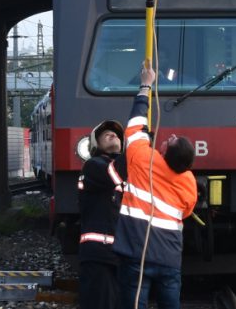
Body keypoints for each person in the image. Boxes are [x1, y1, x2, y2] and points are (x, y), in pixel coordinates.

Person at [113, 61, 198, 309]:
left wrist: (145, 85)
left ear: (165, 150)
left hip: (136, 253)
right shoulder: (188, 180)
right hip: (169, 257)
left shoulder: (142, 158)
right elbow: (186, 211)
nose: (170, 136)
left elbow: (135, 124)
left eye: (172, 140)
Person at [77, 120, 125, 309]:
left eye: (116, 134)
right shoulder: (94, 166)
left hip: (120, 254)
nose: (112, 135)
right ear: (95, 145)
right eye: (106, 134)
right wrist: (139, 147)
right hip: (99, 255)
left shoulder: (121, 168)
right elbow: (116, 174)